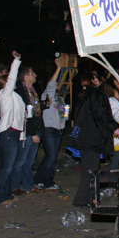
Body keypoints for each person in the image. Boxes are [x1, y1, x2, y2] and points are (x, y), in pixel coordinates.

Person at [69, 72, 119, 207]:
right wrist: (114, 127)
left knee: (89, 169)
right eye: (96, 78)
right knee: (90, 170)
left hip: (85, 137)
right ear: (92, 80)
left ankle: (87, 198)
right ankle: (83, 199)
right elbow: (102, 113)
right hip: (92, 138)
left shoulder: (83, 96)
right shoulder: (96, 94)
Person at [0, 51, 27, 206]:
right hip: (7, 134)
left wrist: (23, 135)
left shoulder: (15, 96)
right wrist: (16, 61)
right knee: (6, 167)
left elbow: (22, 117)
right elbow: (12, 78)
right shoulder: (5, 95)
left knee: (10, 166)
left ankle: (6, 194)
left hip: (15, 133)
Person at [32, 57, 65, 192]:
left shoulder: (59, 98)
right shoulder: (48, 95)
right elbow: (51, 84)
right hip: (49, 129)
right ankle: (38, 180)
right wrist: (58, 68)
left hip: (58, 130)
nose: (57, 84)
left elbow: (64, 114)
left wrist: (63, 122)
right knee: (50, 156)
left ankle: (48, 181)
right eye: (55, 82)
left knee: (53, 157)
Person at [12, 63, 41, 195]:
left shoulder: (32, 91)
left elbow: (35, 111)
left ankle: (28, 185)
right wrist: (33, 132)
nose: (35, 75)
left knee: (29, 160)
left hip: (35, 127)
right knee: (21, 160)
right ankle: (14, 186)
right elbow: (25, 114)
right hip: (26, 130)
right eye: (32, 73)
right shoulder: (20, 91)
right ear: (26, 76)